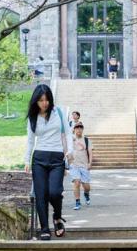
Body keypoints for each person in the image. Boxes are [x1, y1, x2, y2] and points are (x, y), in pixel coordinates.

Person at [24, 84, 70, 240]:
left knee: (55, 192)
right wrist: (26, 160)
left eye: (47, 100)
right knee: (41, 194)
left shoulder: (59, 113)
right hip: (39, 159)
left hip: (57, 158)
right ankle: (44, 228)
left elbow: (68, 133)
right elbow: (30, 141)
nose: (44, 103)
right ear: (35, 101)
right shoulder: (32, 117)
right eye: (41, 100)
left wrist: (69, 151)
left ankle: (57, 217)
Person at [68, 122, 93, 210]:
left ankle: (86, 194)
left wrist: (90, 163)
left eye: (80, 128)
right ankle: (77, 202)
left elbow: (90, 152)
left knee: (86, 186)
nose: (79, 129)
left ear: (82, 129)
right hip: (74, 165)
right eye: (77, 127)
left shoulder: (87, 140)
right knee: (77, 182)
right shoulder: (70, 140)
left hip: (84, 165)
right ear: (74, 129)